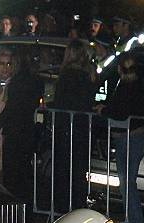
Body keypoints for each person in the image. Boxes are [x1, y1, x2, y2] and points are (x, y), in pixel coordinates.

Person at [94, 53, 144, 223]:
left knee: (127, 183)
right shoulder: (137, 86)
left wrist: (104, 110)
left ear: (119, 69)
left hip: (128, 138)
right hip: (134, 137)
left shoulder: (126, 87)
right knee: (128, 183)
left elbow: (120, 110)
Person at [0, 50, 44, 206]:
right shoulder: (36, 81)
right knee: (22, 174)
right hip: (26, 132)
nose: (7, 67)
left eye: (9, 64)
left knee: (12, 175)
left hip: (13, 132)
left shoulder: (17, 83)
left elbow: (11, 110)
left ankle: (11, 207)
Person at [52, 39, 97, 213]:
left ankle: (63, 210)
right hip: (83, 129)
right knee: (79, 172)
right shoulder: (88, 75)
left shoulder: (68, 75)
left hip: (67, 129)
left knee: (64, 172)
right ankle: (79, 209)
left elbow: (62, 102)